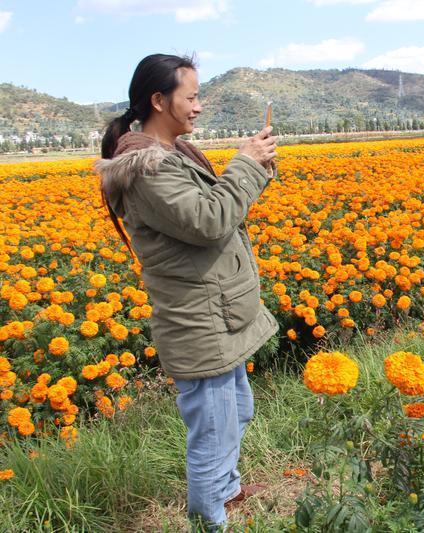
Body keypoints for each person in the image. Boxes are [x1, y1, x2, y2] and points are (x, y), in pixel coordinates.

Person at [95, 53, 279, 530]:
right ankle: (208, 520)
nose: (199, 106)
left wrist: (254, 166)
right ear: (159, 100)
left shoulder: (175, 154)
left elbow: (217, 207)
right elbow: (210, 221)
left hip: (215, 309)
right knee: (213, 433)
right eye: (191, 97)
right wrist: (245, 164)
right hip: (198, 318)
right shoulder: (148, 169)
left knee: (235, 411)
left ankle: (228, 489)